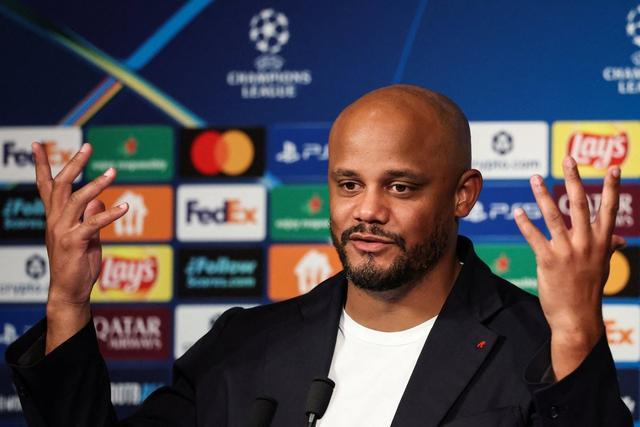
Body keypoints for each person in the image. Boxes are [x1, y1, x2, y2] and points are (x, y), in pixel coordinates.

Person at [6, 85, 632, 426]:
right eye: (349, 184)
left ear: (463, 195)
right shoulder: (242, 345)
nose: (368, 211)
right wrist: (67, 301)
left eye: (401, 187)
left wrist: (577, 330)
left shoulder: (542, 347)